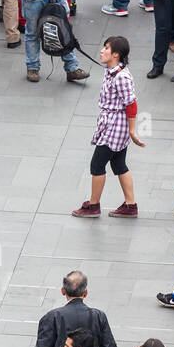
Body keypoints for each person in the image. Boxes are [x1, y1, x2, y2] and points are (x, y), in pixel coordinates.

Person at [72, 35, 144, 217]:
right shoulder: (111, 71)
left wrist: (132, 130)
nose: (102, 51)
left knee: (97, 165)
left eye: (106, 48)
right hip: (113, 123)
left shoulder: (121, 77)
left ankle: (94, 205)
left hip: (115, 127)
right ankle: (130, 205)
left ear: (116, 55)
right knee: (119, 164)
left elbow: (131, 104)